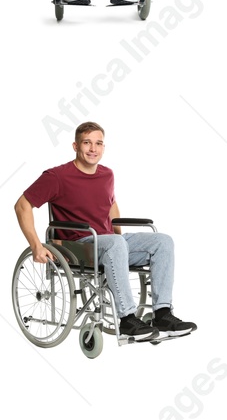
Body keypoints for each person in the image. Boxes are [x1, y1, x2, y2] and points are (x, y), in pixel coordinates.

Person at [13, 122, 197, 342]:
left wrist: (119, 239)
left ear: (103, 147)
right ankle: (127, 319)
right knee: (115, 243)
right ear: (75, 146)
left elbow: (111, 206)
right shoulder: (57, 176)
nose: (93, 148)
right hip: (79, 245)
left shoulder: (107, 174)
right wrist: (36, 245)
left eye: (98, 143)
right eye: (87, 143)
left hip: (107, 243)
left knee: (163, 241)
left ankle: (162, 314)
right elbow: (22, 205)